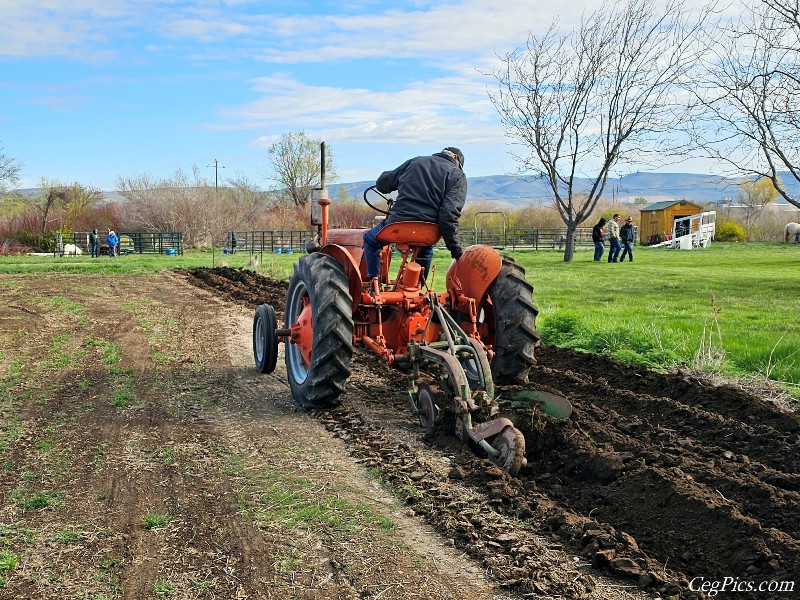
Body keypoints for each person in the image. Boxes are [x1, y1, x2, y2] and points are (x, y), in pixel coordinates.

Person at [363, 147, 466, 281]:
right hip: (427, 231)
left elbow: (383, 184)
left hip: (397, 225)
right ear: (457, 159)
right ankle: (418, 285)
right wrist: (455, 249)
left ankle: (373, 281)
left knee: (370, 240)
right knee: (426, 248)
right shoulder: (457, 175)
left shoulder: (415, 162)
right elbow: (449, 214)